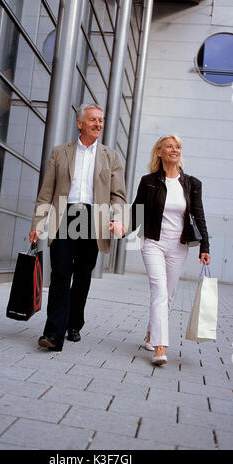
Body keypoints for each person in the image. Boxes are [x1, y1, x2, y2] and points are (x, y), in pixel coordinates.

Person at [29, 103, 127, 352]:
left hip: (94, 218)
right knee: (61, 273)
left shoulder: (111, 156)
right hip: (65, 215)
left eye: (101, 120)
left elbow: (119, 195)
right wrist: (38, 224)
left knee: (82, 276)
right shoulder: (60, 152)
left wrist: (118, 218)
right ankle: (53, 333)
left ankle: (74, 322)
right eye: (93, 119)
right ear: (80, 123)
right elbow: (46, 193)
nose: (98, 124)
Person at [131, 135, 211, 365]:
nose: (174, 150)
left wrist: (204, 246)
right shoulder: (148, 181)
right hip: (153, 242)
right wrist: (119, 226)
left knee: (168, 295)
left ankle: (151, 333)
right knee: (159, 291)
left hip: (179, 246)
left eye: (177, 147)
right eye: (169, 146)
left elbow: (199, 215)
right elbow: (136, 211)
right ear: (159, 152)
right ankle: (160, 347)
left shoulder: (192, 183)